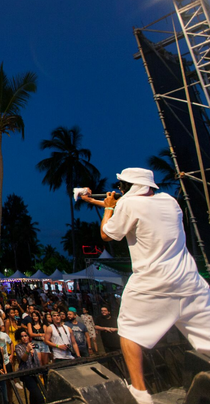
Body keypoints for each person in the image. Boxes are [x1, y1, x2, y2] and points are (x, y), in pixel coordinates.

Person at [82, 168, 210, 403]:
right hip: (190, 281)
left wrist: (109, 207)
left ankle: (140, 393)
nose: (119, 190)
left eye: (121, 186)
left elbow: (107, 234)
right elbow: (135, 209)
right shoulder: (169, 202)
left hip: (153, 282)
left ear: (129, 187)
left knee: (128, 330)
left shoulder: (128, 206)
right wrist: (95, 201)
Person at [14, 329, 43, 404]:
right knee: (38, 396)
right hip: (26, 374)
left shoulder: (32, 345)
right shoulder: (18, 347)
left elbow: (37, 359)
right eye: (22, 336)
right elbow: (23, 359)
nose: (24, 338)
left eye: (25, 336)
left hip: (35, 372)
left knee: (33, 396)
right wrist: (27, 351)